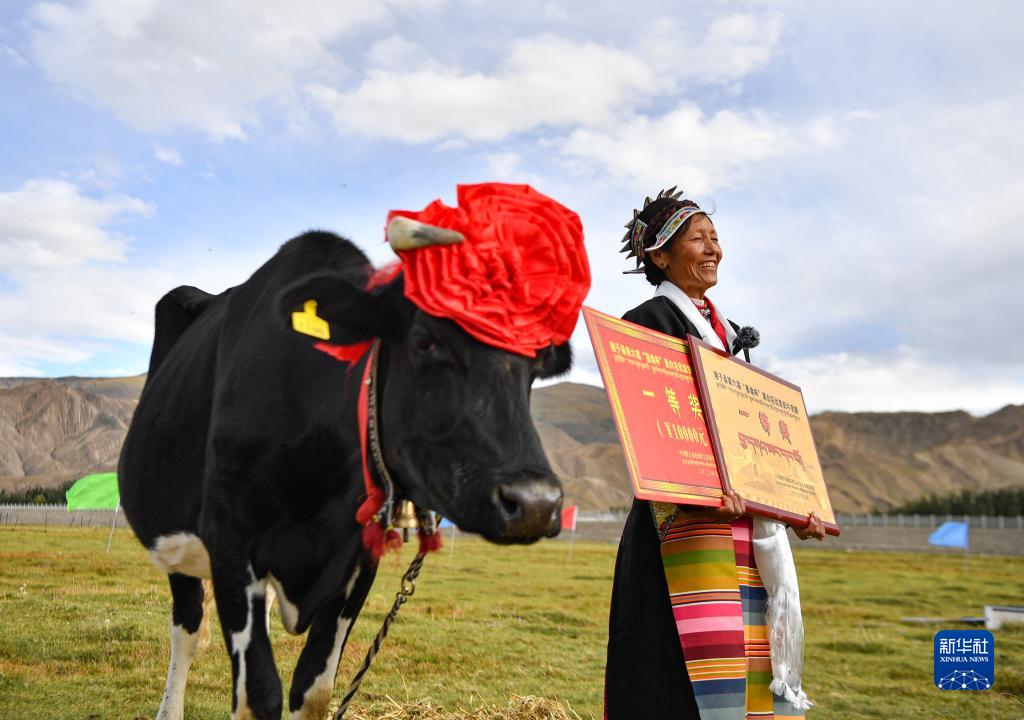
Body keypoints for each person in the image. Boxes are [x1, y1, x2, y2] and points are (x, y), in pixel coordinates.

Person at [604, 188, 826, 720]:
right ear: (660, 255)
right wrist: (701, 490)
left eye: (715, 237)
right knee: (673, 668)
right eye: (697, 239)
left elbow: (746, 437)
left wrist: (791, 507)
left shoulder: (727, 334)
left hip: (739, 525)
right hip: (678, 525)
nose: (713, 249)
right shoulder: (648, 320)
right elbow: (658, 425)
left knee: (740, 659)